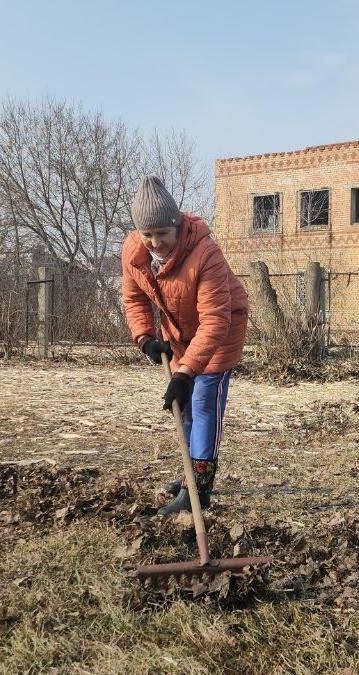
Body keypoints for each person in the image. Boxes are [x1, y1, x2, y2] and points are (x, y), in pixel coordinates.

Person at [121, 176, 249, 516]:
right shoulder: (134, 253)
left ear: (176, 226)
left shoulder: (206, 253)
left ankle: (200, 491)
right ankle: (191, 476)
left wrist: (185, 373)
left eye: (162, 233)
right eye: (147, 235)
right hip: (180, 337)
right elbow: (133, 300)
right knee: (186, 407)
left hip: (221, 331)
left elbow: (216, 321)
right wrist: (145, 337)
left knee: (203, 400)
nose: (155, 242)